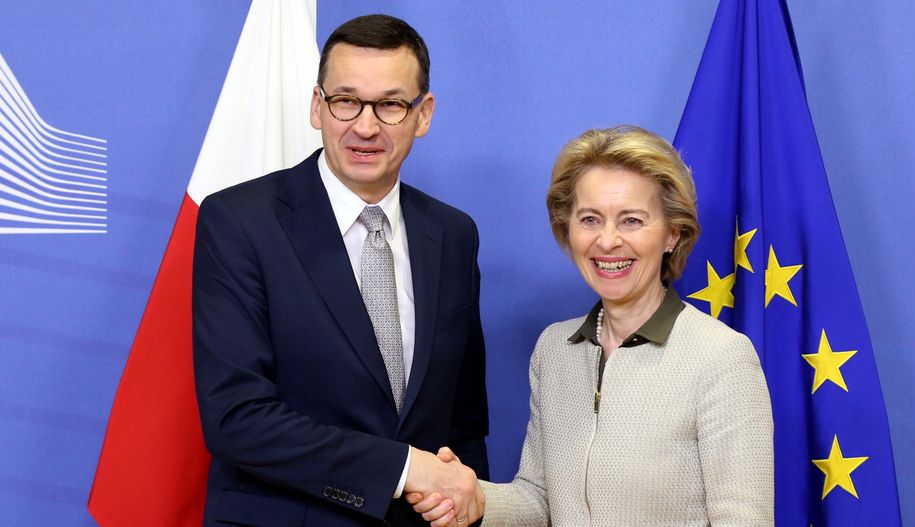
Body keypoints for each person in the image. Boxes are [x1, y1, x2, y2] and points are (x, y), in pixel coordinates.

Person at [193, 14, 488, 526]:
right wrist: (402, 469)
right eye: (346, 100)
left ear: (423, 114)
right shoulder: (239, 222)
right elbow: (236, 417)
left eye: (391, 105)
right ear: (317, 106)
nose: (365, 127)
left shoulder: (452, 234)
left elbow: (463, 423)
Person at [410, 126, 773, 526]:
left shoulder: (721, 357)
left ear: (673, 233)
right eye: (590, 219)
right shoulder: (554, 349)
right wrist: (470, 497)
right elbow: (539, 500)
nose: (608, 240)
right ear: (567, 228)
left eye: (631, 220)